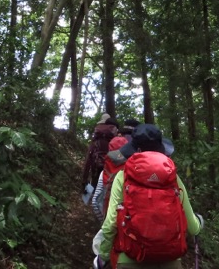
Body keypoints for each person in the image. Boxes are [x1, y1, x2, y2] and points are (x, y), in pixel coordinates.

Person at [97, 124, 203, 269]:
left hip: (130, 259)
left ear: (137, 150)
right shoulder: (172, 178)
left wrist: (103, 256)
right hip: (170, 261)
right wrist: (199, 223)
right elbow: (192, 227)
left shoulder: (123, 176)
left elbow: (110, 224)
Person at [91, 135, 128, 220]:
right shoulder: (132, 170)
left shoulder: (104, 172)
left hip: (108, 221)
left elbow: (94, 203)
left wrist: (103, 222)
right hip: (126, 223)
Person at [82, 113, 119, 194]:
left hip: (96, 163)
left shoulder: (97, 136)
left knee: (95, 181)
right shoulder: (114, 136)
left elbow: (89, 157)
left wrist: (84, 178)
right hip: (110, 165)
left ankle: (91, 198)